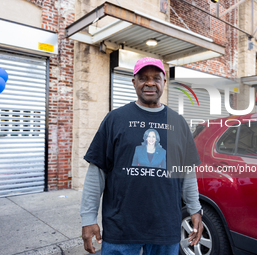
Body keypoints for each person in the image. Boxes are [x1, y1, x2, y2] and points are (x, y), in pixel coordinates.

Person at [81, 57, 203, 255]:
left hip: (165, 228)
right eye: (143, 78)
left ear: (164, 82)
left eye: (156, 77)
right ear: (134, 82)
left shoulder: (179, 123)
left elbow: (187, 173)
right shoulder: (115, 119)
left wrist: (195, 210)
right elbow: (97, 172)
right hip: (120, 229)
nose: (150, 82)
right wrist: (88, 219)